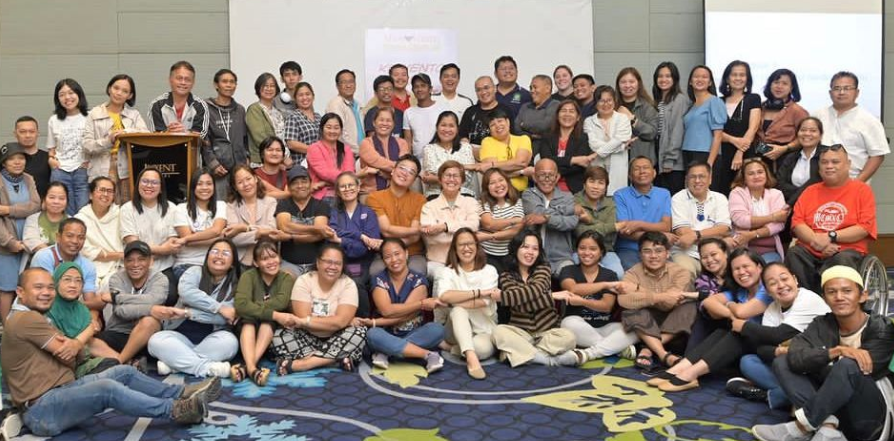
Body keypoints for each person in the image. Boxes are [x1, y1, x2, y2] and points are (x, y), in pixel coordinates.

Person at [0, 268, 219, 437]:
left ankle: (181, 393)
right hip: (43, 410)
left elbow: (75, 352)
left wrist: (73, 348)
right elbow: (68, 353)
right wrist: (74, 347)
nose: (47, 293)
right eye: (38, 288)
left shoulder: (32, 317)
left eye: (49, 287)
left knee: (124, 372)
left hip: (61, 390)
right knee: (107, 388)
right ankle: (176, 409)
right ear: (20, 292)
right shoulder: (26, 318)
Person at [752, 266, 894, 441]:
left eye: (847, 291)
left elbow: (867, 369)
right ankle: (827, 427)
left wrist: (826, 360)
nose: (839, 297)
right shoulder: (822, 324)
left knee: (848, 365)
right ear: (825, 299)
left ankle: (800, 427)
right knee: (783, 362)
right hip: (832, 408)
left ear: (862, 295)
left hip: (869, 416)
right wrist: (835, 351)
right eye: (832, 292)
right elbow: (796, 356)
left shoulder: (881, 328)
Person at [650, 248, 769, 391]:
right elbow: (709, 302)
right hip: (743, 343)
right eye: (736, 269)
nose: (741, 272)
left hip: (765, 345)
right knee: (723, 331)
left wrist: (730, 305)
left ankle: (690, 375)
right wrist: (731, 314)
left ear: (759, 267)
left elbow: (742, 312)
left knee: (738, 332)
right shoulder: (741, 292)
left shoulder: (767, 289)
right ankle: (677, 369)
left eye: (745, 266)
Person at [724, 262, 831, 410]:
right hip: (789, 363)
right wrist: (779, 351)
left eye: (785, 279)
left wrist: (744, 326)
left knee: (782, 363)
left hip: (817, 364)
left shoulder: (808, 299)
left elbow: (778, 335)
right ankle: (789, 395)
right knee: (748, 360)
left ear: (795, 280)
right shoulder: (772, 309)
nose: (781, 285)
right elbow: (762, 348)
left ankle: (771, 396)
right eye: (773, 283)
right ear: (767, 291)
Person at [785, 145, 877, 294]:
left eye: (835, 162)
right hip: (810, 249)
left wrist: (830, 236)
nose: (829, 166)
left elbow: (864, 228)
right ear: (819, 167)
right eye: (824, 162)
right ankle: (808, 303)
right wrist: (818, 243)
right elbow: (797, 224)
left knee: (841, 260)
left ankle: (834, 306)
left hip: (846, 251)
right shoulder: (810, 191)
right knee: (794, 254)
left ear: (848, 164)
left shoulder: (862, 190)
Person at [148, 239, 240, 378]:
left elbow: (223, 319)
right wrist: (219, 307)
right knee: (155, 341)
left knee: (230, 343)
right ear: (207, 256)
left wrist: (187, 313)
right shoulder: (194, 271)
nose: (219, 256)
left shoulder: (235, 285)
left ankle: (174, 365)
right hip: (178, 336)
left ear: (232, 263)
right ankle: (207, 368)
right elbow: (186, 293)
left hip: (212, 338)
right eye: (214, 251)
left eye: (225, 253)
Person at [271, 244, 367, 373]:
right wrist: (335, 321)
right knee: (279, 336)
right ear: (318, 262)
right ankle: (335, 359)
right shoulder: (304, 280)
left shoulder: (348, 284)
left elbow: (340, 322)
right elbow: (302, 318)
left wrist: (312, 320)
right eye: (328, 262)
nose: (332, 267)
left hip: (338, 336)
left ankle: (304, 364)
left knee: (359, 332)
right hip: (308, 336)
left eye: (337, 263)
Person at [491, 230, 578, 367]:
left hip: (548, 332)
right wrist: (553, 296)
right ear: (516, 248)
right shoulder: (506, 276)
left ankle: (523, 354)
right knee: (498, 332)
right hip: (521, 332)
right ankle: (549, 360)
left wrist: (503, 297)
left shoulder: (543, 269)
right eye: (525, 247)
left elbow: (534, 291)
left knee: (569, 337)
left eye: (535, 248)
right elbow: (521, 306)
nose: (530, 252)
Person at [90, 241, 184, 366]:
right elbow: (121, 311)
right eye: (130, 260)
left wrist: (117, 298)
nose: (135, 264)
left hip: (148, 335)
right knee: (88, 343)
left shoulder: (160, 278)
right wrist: (151, 309)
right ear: (124, 262)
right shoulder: (116, 278)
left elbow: (154, 300)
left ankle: (119, 362)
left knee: (149, 321)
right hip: (119, 331)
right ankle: (127, 362)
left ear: (150, 261)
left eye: (141, 259)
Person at [616, 232, 695, 371]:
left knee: (690, 307)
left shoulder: (681, 272)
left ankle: (648, 350)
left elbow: (671, 302)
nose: (653, 256)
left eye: (659, 251)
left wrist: (638, 290)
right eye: (647, 251)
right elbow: (623, 300)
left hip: (674, 326)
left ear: (668, 253)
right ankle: (663, 354)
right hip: (646, 322)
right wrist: (659, 297)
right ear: (640, 254)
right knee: (631, 311)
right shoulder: (632, 273)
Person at [365, 238, 445, 372]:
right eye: (388, 257)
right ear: (383, 260)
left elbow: (406, 316)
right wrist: (421, 304)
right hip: (385, 333)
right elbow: (387, 310)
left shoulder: (419, 279)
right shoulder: (378, 279)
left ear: (406, 253)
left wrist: (374, 322)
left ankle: (386, 352)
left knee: (437, 329)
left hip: (415, 332)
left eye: (397, 254)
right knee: (372, 334)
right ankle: (427, 355)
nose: (394, 260)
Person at [559, 231, 638, 362]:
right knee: (567, 323)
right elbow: (573, 289)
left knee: (635, 329)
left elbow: (606, 307)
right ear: (577, 250)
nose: (587, 252)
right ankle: (617, 348)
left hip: (604, 327)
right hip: (579, 326)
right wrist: (605, 285)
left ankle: (592, 352)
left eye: (593, 249)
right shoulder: (568, 270)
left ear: (601, 252)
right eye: (582, 248)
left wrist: (582, 302)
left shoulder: (609, 274)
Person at [434, 228, 499, 379]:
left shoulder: (489, 270)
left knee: (481, 350)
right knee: (458, 312)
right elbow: (444, 296)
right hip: (454, 329)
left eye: (470, 243)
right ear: (455, 249)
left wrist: (454, 301)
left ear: (477, 246)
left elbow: (484, 301)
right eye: (461, 245)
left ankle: (452, 349)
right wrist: (478, 292)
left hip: (483, 329)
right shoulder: (447, 272)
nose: (466, 248)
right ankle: (471, 359)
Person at [231, 240, 296, 386]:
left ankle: (248, 367)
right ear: (256, 262)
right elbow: (240, 304)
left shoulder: (286, 278)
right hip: (246, 326)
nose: (271, 262)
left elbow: (281, 302)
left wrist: (252, 306)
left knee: (266, 322)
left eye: (273, 256)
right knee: (249, 322)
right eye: (264, 259)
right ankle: (254, 370)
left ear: (279, 258)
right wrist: (274, 314)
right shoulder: (248, 276)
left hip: (270, 328)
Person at [83, 74, 149, 202]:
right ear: (109, 89)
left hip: (126, 168)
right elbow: (87, 145)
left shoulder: (134, 115)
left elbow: (145, 136)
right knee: (103, 206)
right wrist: (108, 141)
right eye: (116, 88)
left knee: (127, 207)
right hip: (102, 167)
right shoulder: (94, 113)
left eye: (125, 91)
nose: (119, 93)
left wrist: (126, 132)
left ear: (130, 95)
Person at [813, 71, 890, 181]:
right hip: (819, 181)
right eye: (837, 88)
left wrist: (857, 183)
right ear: (830, 93)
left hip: (853, 180)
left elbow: (877, 155)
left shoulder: (869, 120)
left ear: (857, 92)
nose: (841, 92)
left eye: (847, 88)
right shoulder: (818, 115)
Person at [46, 262, 118, 378]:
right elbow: (61, 348)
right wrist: (89, 331)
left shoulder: (82, 310)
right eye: (67, 280)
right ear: (56, 282)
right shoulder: (47, 307)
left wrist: (121, 360)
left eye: (78, 281)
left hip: (80, 361)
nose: (73, 285)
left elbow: (91, 343)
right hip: (56, 368)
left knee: (116, 367)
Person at [329, 171, 382, 316]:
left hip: (363, 262)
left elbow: (366, 247)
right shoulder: (335, 212)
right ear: (338, 192)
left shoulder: (368, 212)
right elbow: (332, 231)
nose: (347, 189)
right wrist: (360, 235)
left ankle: (363, 322)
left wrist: (341, 240)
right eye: (343, 186)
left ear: (358, 188)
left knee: (355, 282)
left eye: (351, 185)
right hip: (340, 260)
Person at [367, 154, 428, 276]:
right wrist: (414, 230)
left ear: (414, 179)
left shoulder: (420, 200)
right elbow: (386, 230)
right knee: (376, 271)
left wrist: (415, 231)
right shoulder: (375, 197)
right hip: (385, 254)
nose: (405, 173)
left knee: (417, 271)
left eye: (411, 172)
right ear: (393, 171)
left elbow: (414, 237)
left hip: (413, 252)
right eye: (402, 168)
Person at [0, 142, 40, 324]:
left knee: (27, 287)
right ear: (4, 163)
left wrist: (8, 210)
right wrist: (10, 242)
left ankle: (23, 327)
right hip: (6, 246)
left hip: (29, 243)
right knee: (7, 288)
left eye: (21, 158)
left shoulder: (29, 179)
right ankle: (7, 329)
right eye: (12, 159)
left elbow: (36, 205)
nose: (17, 162)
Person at [420, 161, 481, 278]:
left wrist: (445, 227)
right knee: (443, 275)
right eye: (447, 175)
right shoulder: (429, 206)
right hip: (438, 261)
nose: (451, 179)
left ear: (462, 181)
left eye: (456, 176)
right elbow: (432, 239)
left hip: (467, 259)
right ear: (440, 180)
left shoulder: (471, 202)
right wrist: (466, 236)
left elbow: (474, 226)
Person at [670, 161, 732, 276]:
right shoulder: (678, 198)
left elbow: (724, 229)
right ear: (686, 179)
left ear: (710, 179)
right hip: (687, 253)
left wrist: (695, 235)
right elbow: (683, 234)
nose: (697, 180)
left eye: (702, 176)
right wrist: (718, 237)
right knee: (685, 272)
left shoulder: (720, 198)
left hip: (714, 252)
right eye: (693, 177)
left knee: (732, 269)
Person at [613, 156, 673, 270]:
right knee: (634, 276)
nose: (642, 171)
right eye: (637, 169)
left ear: (654, 173)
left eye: (646, 167)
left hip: (658, 249)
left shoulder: (664, 194)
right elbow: (625, 232)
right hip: (629, 249)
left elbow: (666, 226)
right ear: (629, 175)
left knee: (673, 274)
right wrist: (660, 235)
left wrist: (638, 224)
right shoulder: (620, 195)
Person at [120, 168, 182, 276]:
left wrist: (152, 253)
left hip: (165, 266)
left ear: (161, 188)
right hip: (136, 266)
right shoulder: (127, 209)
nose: (149, 186)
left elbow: (172, 243)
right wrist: (163, 250)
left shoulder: (171, 208)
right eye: (145, 181)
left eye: (154, 182)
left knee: (170, 292)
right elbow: (133, 244)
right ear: (138, 185)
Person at [275, 165, 334, 278]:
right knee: (285, 282)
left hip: (316, 264)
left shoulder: (321, 205)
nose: (300, 186)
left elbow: (320, 235)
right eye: (295, 183)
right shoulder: (284, 204)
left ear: (311, 184)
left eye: (304, 181)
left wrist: (290, 237)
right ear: (288, 186)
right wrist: (315, 228)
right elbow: (284, 226)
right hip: (289, 264)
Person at [523, 158, 578, 275]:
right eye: (542, 175)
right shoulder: (529, 194)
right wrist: (566, 211)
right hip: (533, 256)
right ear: (534, 177)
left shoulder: (567, 197)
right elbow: (536, 211)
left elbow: (571, 222)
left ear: (557, 177)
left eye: (551, 175)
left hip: (561, 257)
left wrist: (546, 218)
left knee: (570, 276)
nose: (547, 179)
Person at [224, 165, 284, 268]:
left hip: (267, 259)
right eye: (240, 182)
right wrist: (257, 232)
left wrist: (244, 228)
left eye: (248, 179)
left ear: (255, 179)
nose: (246, 184)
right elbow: (233, 238)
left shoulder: (270, 202)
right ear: (235, 187)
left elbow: (272, 230)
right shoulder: (231, 206)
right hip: (240, 261)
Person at [728, 159, 788, 263]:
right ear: (744, 178)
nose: (756, 176)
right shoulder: (737, 193)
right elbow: (741, 220)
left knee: (767, 272)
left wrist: (752, 234)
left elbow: (779, 225)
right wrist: (773, 217)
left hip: (769, 250)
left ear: (766, 175)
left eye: (760, 172)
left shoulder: (776, 194)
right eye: (751, 173)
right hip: (743, 250)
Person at [716, 60, 762, 194]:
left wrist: (740, 152)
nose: (738, 78)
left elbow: (752, 128)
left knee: (746, 193)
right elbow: (716, 132)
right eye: (734, 75)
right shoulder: (718, 101)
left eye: (742, 75)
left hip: (747, 154)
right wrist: (734, 140)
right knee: (723, 193)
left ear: (747, 79)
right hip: (722, 154)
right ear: (727, 78)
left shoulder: (753, 98)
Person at [172, 170, 227, 277]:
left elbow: (216, 230)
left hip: (216, 263)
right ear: (193, 188)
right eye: (199, 184)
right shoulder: (181, 209)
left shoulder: (221, 205)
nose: (205, 187)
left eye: (209, 184)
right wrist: (219, 238)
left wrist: (190, 237)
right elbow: (190, 242)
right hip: (187, 263)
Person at [204, 68, 248, 201]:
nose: (229, 85)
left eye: (232, 82)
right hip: (219, 168)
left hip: (239, 168)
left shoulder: (240, 109)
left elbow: (245, 138)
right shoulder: (205, 108)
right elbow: (203, 140)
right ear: (216, 85)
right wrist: (213, 164)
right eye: (224, 81)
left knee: (240, 204)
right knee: (220, 206)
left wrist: (247, 159)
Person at [47, 78, 89, 215]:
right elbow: (51, 148)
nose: (67, 97)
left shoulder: (89, 117)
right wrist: (51, 160)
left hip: (82, 169)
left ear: (79, 94)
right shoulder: (54, 120)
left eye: (71, 93)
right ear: (57, 98)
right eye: (62, 94)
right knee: (65, 213)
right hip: (60, 170)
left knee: (84, 212)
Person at [573, 166, 624, 278]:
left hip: (606, 250)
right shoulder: (574, 202)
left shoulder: (610, 203)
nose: (595, 187)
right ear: (584, 184)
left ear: (606, 187)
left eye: (601, 183)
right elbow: (580, 232)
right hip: (581, 251)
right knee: (586, 274)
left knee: (618, 274)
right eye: (591, 181)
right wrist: (612, 227)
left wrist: (590, 220)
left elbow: (610, 237)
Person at [30, 218, 97, 303]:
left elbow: (90, 301)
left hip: (70, 310)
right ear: (58, 237)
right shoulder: (44, 257)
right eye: (69, 236)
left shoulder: (88, 265)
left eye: (80, 237)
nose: (75, 241)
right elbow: (43, 295)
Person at [75, 177, 123, 292]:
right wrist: (120, 255)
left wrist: (118, 257)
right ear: (91, 195)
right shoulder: (80, 219)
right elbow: (86, 251)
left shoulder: (121, 214)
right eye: (101, 190)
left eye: (110, 191)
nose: (105, 194)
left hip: (117, 267)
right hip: (89, 266)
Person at [583, 85, 632, 196]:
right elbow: (593, 144)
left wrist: (599, 152)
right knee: (596, 197)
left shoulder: (623, 118)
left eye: (609, 100)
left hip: (618, 166)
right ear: (595, 103)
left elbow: (620, 139)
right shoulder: (589, 121)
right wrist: (621, 147)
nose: (606, 104)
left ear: (614, 101)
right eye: (601, 101)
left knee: (617, 198)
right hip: (597, 165)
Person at [539, 100, 596, 194]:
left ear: (578, 117)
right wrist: (573, 160)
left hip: (574, 189)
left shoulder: (583, 138)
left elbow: (579, 166)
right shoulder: (547, 137)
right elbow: (546, 160)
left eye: (571, 111)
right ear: (557, 116)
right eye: (564, 111)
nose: (567, 114)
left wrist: (557, 172)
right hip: (548, 187)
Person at [652, 62, 691, 195]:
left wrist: (669, 160)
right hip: (660, 157)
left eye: (668, 76)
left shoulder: (679, 99)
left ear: (675, 79)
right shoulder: (659, 100)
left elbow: (677, 131)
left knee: (673, 200)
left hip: (673, 163)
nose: (663, 79)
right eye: (660, 76)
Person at [756, 69, 809, 164]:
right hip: (759, 160)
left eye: (784, 83)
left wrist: (784, 148)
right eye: (776, 82)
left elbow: (806, 137)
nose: (779, 86)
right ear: (770, 85)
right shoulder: (759, 107)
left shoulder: (798, 111)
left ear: (791, 87)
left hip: (786, 160)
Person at [477, 168, 525, 274]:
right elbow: (489, 224)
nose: (498, 185)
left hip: (511, 254)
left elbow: (515, 232)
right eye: (492, 183)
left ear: (507, 181)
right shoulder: (482, 203)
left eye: (501, 180)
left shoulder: (517, 202)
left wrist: (488, 236)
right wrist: (515, 220)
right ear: (486, 188)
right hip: (487, 254)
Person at [422, 111, 477, 199]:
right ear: (437, 127)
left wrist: (437, 177)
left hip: (463, 193)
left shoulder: (466, 147)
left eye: (451, 126)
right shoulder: (429, 149)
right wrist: (461, 168)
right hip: (436, 194)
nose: (447, 129)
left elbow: (466, 178)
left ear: (457, 129)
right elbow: (430, 174)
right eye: (443, 125)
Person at [682, 65, 727, 173]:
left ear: (710, 82)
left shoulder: (715, 102)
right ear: (690, 82)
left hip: (706, 154)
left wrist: (709, 164)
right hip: (688, 152)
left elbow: (718, 136)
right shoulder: (691, 105)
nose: (700, 79)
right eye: (696, 76)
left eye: (704, 77)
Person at [306, 113, 360, 203]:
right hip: (323, 195)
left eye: (336, 128)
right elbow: (326, 173)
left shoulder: (346, 149)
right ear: (321, 129)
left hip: (345, 193)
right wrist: (345, 180)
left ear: (341, 130)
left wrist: (325, 183)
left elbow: (349, 172)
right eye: (329, 127)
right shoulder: (314, 148)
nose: (332, 131)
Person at [147, 61, 208, 137]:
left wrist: (184, 133)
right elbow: (154, 135)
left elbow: (201, 135)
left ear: (193, 83)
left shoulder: (200, 105)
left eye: (187, 79)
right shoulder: (157, 104)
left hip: (191, 148)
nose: (183, 82)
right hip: (163, 147)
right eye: (179, 78)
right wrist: (168, 133)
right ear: (170, 80)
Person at [479, 109, 533, 192]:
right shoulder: (487, 142)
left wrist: (493, 164)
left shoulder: (523, 139)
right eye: (492, 125)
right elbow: (492, 173)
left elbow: (521, 162)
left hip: (522, 194)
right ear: (489, 130)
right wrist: (521, 172)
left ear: (508, 122)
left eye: (500, 121)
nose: (497, 126)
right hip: (497, 193)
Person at [359, 107, 410, 195]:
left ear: (393, 124)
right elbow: (378, 161)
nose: (385, 123)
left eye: (388, 120)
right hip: (371, 192)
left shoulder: (402, 143)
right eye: (381, 120)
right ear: (374, 123)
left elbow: (405, 166)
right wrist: (398, 168)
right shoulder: (366, 143)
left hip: (397, 191)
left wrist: (382, 172)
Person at [776, 117, 823, 206]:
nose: (807, 134)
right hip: (795, 206)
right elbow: (780, 184)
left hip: (820, 204)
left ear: (820, 135)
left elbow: (817, 182)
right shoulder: (790, 157)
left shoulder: (826, 155)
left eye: (813, 131)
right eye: (803, 130)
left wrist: (794, 198)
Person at [616, 67, 659, 164]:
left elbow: (652, 133)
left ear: (638, 84)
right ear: (618, 85)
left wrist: (632, 119)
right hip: (617, 160)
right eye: (623, 82)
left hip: (642, 163)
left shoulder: (648, 107)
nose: (627, 85)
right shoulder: (612, 107)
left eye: (631, 82)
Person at [458, 76, 517, 146]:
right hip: (472, 153)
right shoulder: (470, 112)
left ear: (495, 88)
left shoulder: (506, 110)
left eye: (486, 88)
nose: (483, 92)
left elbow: (512, 137)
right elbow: (461, 136)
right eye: (479, 90)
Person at [404, 73, 448, 159]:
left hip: (440, 159)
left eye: (423, 86)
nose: (419, 89)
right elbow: (408, 142)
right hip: (418, 161)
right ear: (413, 90)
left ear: (430, 89)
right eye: (416, 87)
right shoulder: (408, 112)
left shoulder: (443, 109)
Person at [245, 72, 286, 167]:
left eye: (272, 86)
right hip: (262, 163)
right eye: (265, 86)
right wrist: (280, 156)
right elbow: (260, 138)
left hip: (279, 160)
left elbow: (282, 137)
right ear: (258, 88)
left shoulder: (277, 112)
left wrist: (283, 156)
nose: (269, 89)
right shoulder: (254, 109)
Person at [515, 75, 560, 159]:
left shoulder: (556, 105)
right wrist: (532, 136)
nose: (532, 91)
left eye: (535, 87)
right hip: (523, 152)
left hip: (546, 153)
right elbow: (516, 128)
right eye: (530, 88)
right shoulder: (525, 106)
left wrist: (524, 125)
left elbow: (545, 126)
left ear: (547, 89)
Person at [23, 181, 68, 254]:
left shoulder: (72, 222)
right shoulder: (33, 219)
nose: (56, 201)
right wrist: (55, 256)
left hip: (66, 264)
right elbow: (31, 241)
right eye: (52, 197)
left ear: (67, 201)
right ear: (44, 199)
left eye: (61, 198)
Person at [325, 69, 363, 153]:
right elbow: (339, 134)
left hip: (360, 153)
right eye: (344, 82)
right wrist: (358, 151)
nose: (348, 85)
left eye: (351, 81)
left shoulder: (358, 105)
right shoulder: (335, 104)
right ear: (337, 86)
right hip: (345, 154)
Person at [283, 82, 321, 165]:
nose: (304, 98)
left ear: (313, 96)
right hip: (302, 165)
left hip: (321, 162)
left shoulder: (318, 117)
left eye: (307, 94)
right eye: (300, 95)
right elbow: (291, 144)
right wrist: (316, 150)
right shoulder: (293, 117)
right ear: (295, 98)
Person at [14, 116, 51, 199]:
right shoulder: (5, 159)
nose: (27, 135)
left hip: (42, 209)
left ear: (38, 133)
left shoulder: (48, 158)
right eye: (22, 132)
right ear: (15, 134)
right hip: (11, 209)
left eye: (32, 131)